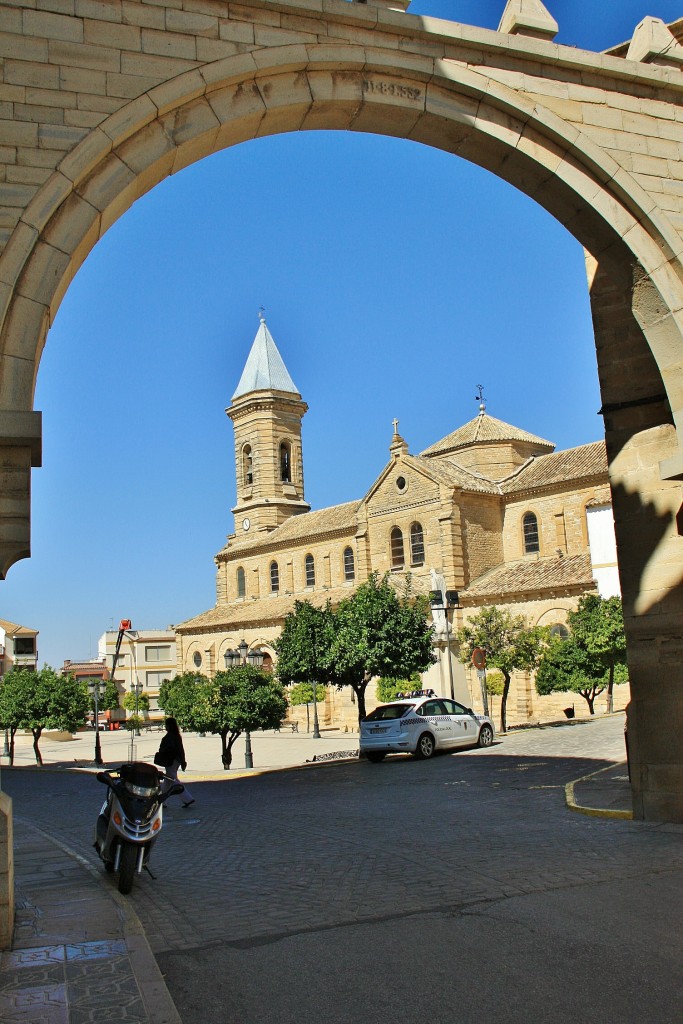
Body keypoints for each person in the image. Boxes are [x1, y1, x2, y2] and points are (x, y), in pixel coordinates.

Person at [156, 717, 195, 808]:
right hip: (176, 760)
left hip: (170, 761)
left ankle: (188, 799)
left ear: (169, 726)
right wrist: (183, 761)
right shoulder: (177, 736)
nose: (165, 727)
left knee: (173, 780)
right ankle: (161, 801)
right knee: (168, 781)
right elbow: (181, 749)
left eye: (166, 725)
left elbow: (166, 749)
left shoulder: (169, 737)